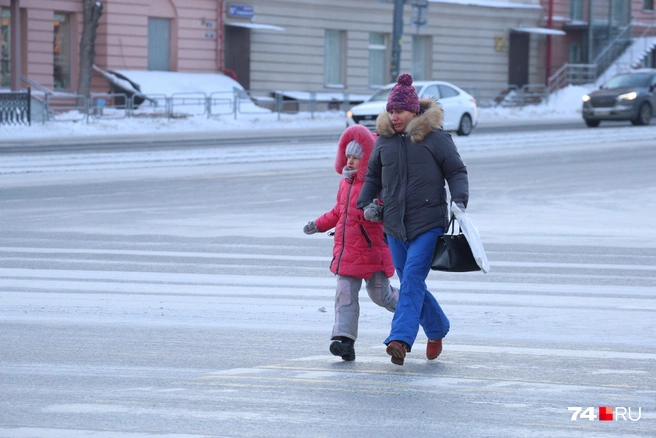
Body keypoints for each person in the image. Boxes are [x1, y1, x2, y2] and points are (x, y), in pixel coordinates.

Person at [357, 73, 469, 366]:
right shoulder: (384, 142)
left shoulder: (436, 139)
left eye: (400, 111)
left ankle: (400, 340)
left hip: (428, 223)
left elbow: (456, 171)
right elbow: (372, 176)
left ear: (414, 111)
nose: (394, 117)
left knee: (413, 278)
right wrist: (366, 204)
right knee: (409, 281)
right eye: (391, 111)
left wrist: (459, 201)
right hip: (394, 225)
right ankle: (436, 328)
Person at [303, 124, 399, 362]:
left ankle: (414, 310)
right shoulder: (345, 183)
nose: (351, 161)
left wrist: (376, 210)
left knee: (380, 295)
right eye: (348, 156)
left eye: (357, 157)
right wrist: (318, 224)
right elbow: (339, 211)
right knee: (344, 294)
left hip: (372, 250)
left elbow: (388, 207)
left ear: (367, 159)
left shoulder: (378, 182)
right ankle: (344, 341)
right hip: (347, 252)